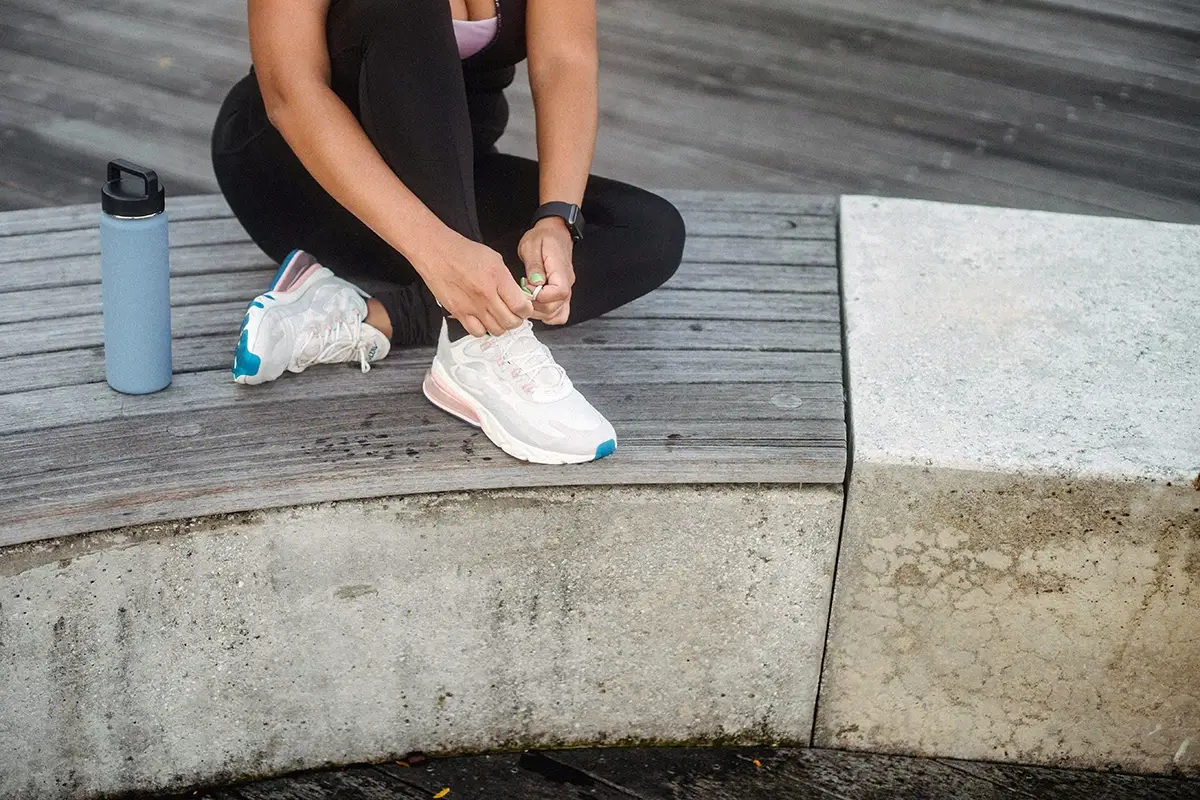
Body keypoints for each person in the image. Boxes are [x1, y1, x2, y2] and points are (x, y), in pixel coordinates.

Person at [211, 0, 685, 464]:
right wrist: (439, 252)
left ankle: (375, 316)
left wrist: (556, 220)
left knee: (647, 231)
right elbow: (291, 92)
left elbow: (565, 60)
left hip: (448, 181)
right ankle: (474, 343)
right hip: (303, 180)